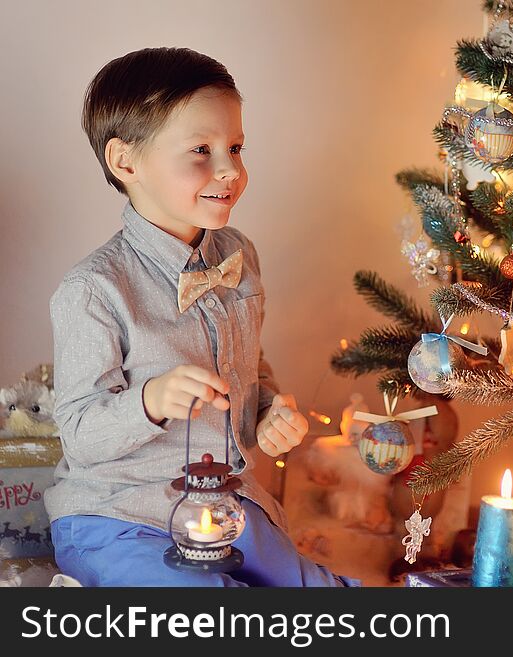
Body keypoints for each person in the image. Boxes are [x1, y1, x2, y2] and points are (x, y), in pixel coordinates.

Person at [45, 47, 357, 587]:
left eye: (235, 147)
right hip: (118, 517)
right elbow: (79, 435)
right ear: (126, 162)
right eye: (201, 150)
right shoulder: (92, 290)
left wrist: (265, 414)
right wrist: (150, 401)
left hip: (222, 509)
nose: (230, 169)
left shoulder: (238, 255)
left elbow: (250, 368)